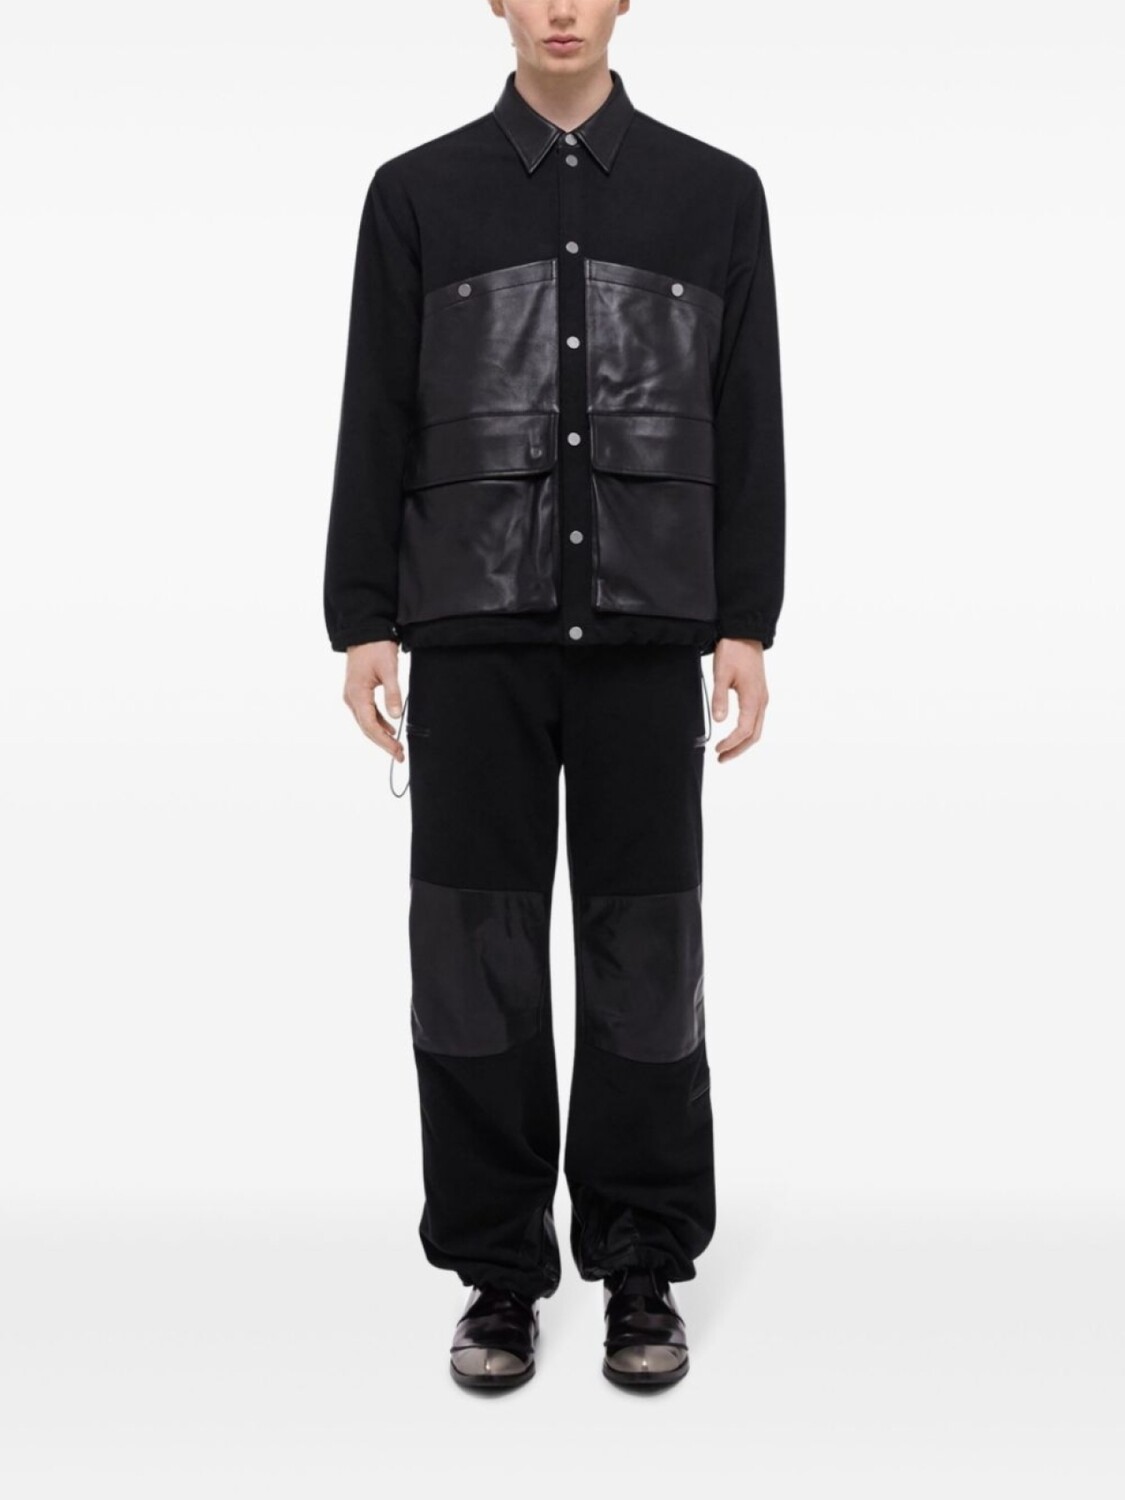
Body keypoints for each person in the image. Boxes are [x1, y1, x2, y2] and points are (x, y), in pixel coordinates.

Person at [323, 0, 785, 1391]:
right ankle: (498, 1271)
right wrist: (363, 616)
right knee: (471, 963)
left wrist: (745, 621)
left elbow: (749, 411)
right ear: (498, 3)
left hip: (649, 632)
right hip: (472, 632)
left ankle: (642, 1262)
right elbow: (374, 408)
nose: (563, 9)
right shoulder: (417, 195)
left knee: (649, 962)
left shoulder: (714, 194)